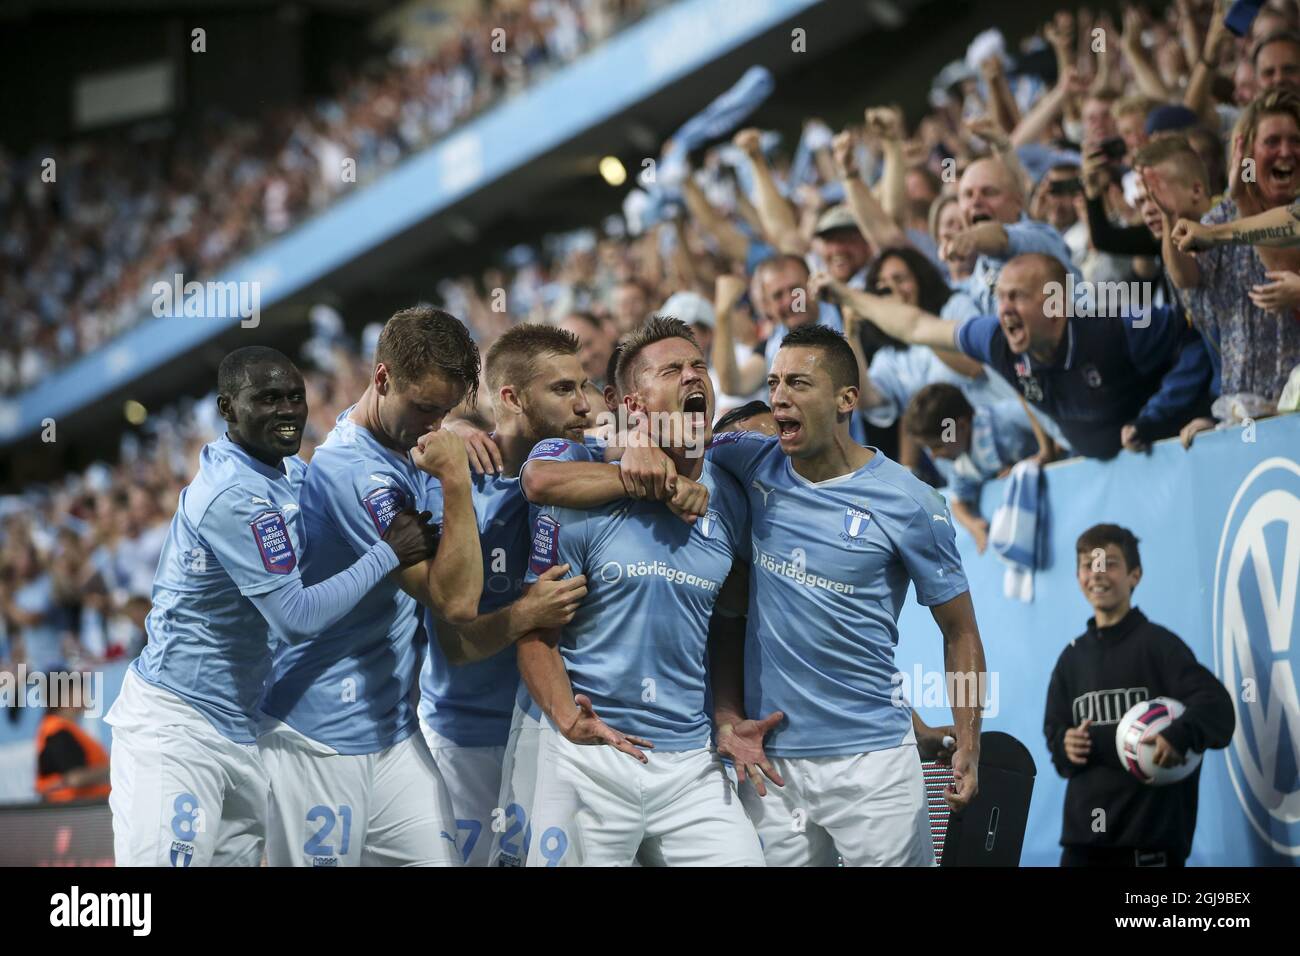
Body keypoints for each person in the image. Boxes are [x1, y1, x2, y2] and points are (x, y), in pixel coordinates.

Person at [105, 346, 436, 867]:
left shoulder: (288, 475)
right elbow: (296, 618)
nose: (286, 410)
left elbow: (345, 441)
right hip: (178, 728)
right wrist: (389, 552)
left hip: (239, 728)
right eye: (267, 399)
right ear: (227, 408)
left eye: (294, 398)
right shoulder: (233, 495)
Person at [706, 325, 986, 866]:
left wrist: (970, 741)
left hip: (874, 764)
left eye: (799, 383)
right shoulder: (750, 458)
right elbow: (675, 437)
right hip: (771, 765)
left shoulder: (911, 501)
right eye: (774, 382)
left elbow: (961, 631)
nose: (780, 396)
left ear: (846, 398)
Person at [518, 318, 767, 866]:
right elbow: (537, 627)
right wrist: (565, 718)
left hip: (690, 765)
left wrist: (726, 716)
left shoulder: (733, 491)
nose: (692, 376)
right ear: (633, 403)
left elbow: (727, 620)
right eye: (671, 369)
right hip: (591, 757)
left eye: (699, 365)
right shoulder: (581, 491)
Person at [258, 308, 484, 868]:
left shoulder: (407, 445)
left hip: (393, 731)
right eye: (424, 408)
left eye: (445, 411)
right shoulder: (353, 473)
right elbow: (454, 601)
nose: (435, 425)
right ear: (381, 379)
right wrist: (455, 477)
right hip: (315, 735)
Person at [417, 325, 592, 866]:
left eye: (585, 387)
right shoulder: (450, 484)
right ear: (511, 398)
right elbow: (456, 643)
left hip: (554, 729)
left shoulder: (591, 471)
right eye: (563, 390)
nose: (584, 405)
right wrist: (525, 614)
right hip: (464, 738)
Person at [816, 252, 1212, 459]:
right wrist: (846, 295)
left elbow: (1195, 334)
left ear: (1056, 305)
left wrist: (1157, 416)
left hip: (1183, 447)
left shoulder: (1115, 329)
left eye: (1018, 297)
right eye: (1001, 296)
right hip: (1105, 464)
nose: (1003, 308)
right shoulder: (997, 340)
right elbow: (917, 326)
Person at [1043, 524, 1234, 867]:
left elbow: (1218, 709)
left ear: (1135, 575)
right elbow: (1055, 736)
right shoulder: (1071, 660)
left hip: (1149, 850)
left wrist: (1178, 735)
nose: (1097, 574)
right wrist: (1064, 744)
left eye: (1110, 563)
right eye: (1089, 564)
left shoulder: (1160, 647)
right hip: (1082, 849)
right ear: (1077, 577)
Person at [1165, 88, 1300, 412]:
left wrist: (1229, 219)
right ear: (1247, 151)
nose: (1287, 151)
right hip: (1241, 408)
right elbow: (1187, 279)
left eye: (1296, 140)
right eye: (1272, 142)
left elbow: (1283, 259)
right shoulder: (1221, 215)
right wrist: (1174, 217)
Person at [901, 383, 1043, 554]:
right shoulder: (961, 464)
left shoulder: (1005, 418)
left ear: (960, 426)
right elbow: (957, 503)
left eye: (937, 446)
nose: (933, 456)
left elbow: (1055, 431)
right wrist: (973, 524)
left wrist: (1035, 462)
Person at [36, 694, 111, 803]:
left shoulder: (63, 729)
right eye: (80, 689)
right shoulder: (57, 731)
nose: (86, 693)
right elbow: (75, 779)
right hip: (69, 811)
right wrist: (111, 769)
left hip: (80, 808)